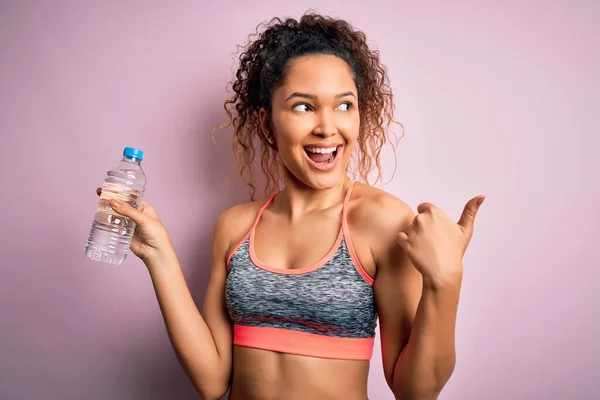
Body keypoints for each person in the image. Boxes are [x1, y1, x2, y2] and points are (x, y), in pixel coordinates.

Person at [99, 12, 485, 400]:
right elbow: (212, 380)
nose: (327, 127)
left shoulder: (381, 222)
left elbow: (415, 392)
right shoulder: (235, 227)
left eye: (344, 105)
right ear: (267, 125)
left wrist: (445, 281)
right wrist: (157, 254)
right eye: (303, 107)